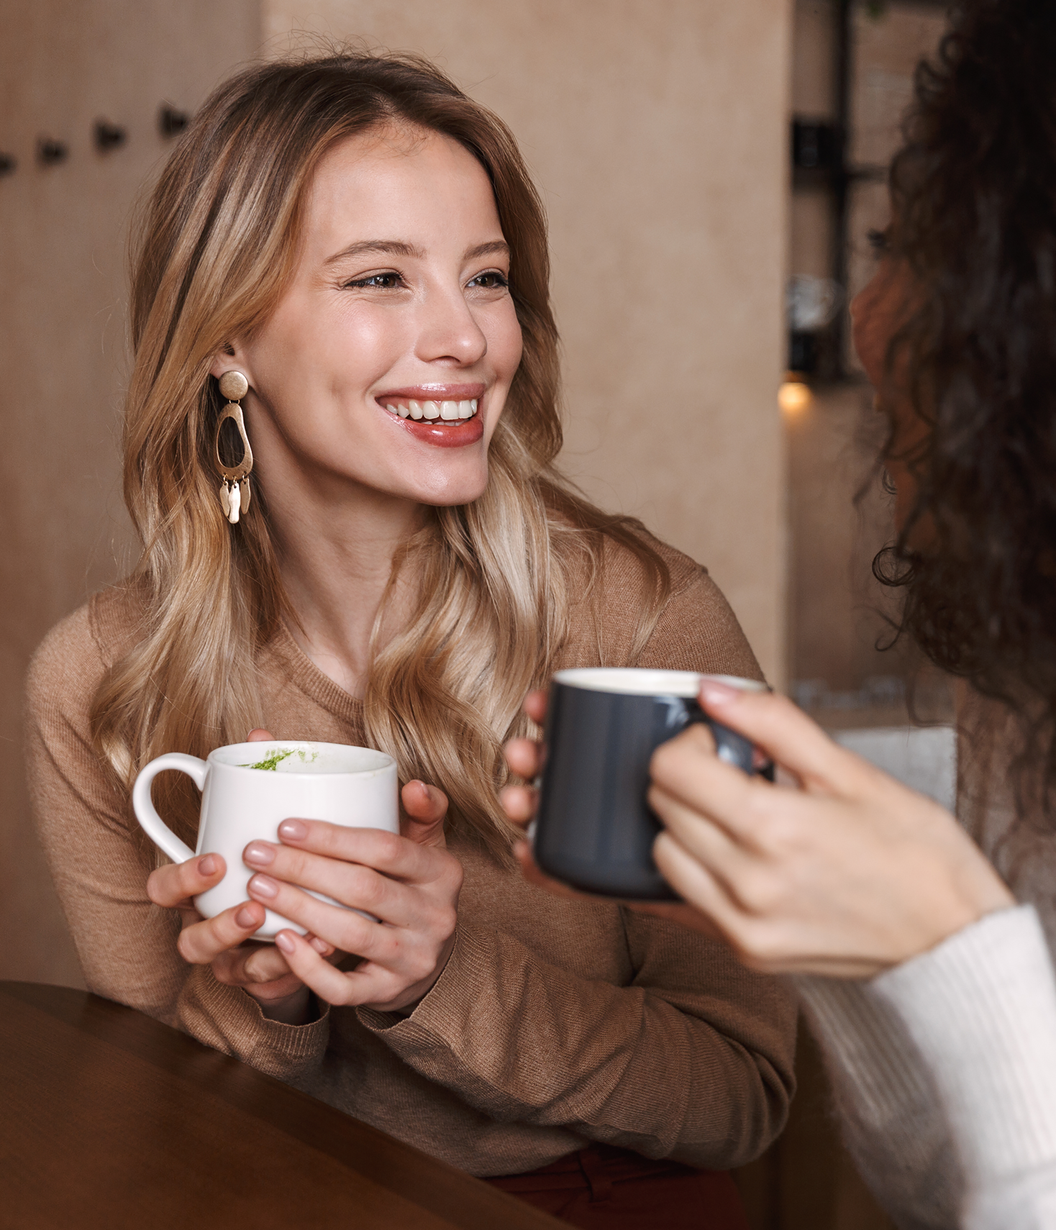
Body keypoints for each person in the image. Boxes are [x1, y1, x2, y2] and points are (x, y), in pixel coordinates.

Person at [24, 50, 797, 1229]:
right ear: (227, 339)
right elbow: (156, 1113)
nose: (466, 340)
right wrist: (271, 1003)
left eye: (485, 279)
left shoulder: (634, 624)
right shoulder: (104, 683)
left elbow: (741, 1091)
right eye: (381, 277)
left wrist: (443, 977)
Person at [503, 2, 1056, 1226]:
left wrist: (954, 943)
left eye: (911, 250)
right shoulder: (1019, 702)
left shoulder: (646, 601)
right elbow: (943, 1188)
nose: (863, 319)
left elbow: (740, 1101)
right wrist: (813, 916)